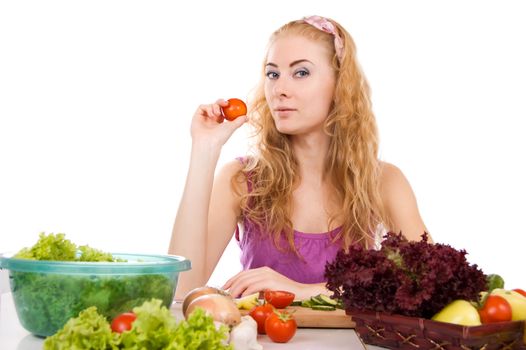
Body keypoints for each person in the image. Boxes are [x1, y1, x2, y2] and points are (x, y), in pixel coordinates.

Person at [169, 15, 428, 300]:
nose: (280, 89)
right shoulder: (241, 180)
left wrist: (304, 292)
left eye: (301, 73)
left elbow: (424, 283)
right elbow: (180, 290)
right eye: (273, 74)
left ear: (340, 84)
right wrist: (204, 151)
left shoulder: (384, 182)